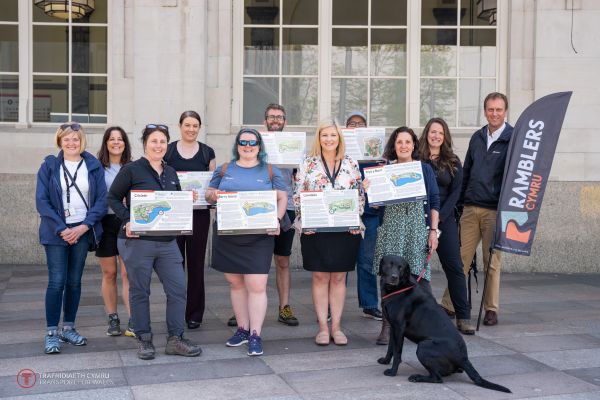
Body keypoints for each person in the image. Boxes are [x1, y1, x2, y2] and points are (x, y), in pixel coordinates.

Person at [108, 124, 202, 360]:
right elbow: (112, 197)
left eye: (162, 141)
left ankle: (175, 339)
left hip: (167, 242)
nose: (158, 146)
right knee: (140, 291)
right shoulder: (132, 170)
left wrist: (184, 200)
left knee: (178, 289)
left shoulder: (170, 173)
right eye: (153, 141)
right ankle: (144, 339)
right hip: (138, 241)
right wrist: (129, 219)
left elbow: (174, 202)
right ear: (145, 144)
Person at [205, 128, 288, 356]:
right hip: (229, 234)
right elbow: (209, 193)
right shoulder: (225, 168)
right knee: (236, 283)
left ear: (259, 146)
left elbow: (282, 197)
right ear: (237, 145)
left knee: (257, 284)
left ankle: (255, 334)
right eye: (243, 142)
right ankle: (242, 329)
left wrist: (277, 220)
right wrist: (214, 195)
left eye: (252, 142)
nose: (247, 146)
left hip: (259, 236)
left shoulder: (270, 170)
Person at [441, 92, 513, 326]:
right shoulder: (477, 137)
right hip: (471, 209)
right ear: (485, 111)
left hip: (495, 211)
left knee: (492, 262)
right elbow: (466, 173)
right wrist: (460, 204)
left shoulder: (514, 139)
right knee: (459, 259)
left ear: (505, 111)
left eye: (499, 110)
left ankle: (491, 308)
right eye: (490, 110)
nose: (494, 114)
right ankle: (450, 305)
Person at [36, 123, 107, 354]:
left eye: (75, 139)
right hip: (56, 232)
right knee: (56, 281)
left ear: (82, 141)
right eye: (66, 139)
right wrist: (62, 228)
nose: (71, 143)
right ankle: (51, 333)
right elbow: (42, 202)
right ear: (60, 142)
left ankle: (68, 328)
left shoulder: (93, 166)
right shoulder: (48, 166)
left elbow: (101, 201)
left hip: (82, 231)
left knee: (74, 282)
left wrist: (84, 227)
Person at [294, 119, 365, 346]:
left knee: (338, 277)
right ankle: (323, 328)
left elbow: (359, 194)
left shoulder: (351, 163)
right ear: (319, 138)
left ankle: (336, 326)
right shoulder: (308, 163)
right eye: (324, 135)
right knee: (320, 276)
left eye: (333, 135)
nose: (329, 139)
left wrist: (356, 217)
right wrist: (307, 217)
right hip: (316, 228)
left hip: (345, 229)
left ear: (339, 138)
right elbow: (298, 195)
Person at [227, 104, 299, 328]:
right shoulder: (253, 144)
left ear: (285, 121)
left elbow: (301, 174)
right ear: (265, 120)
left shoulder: (294, 147)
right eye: (271, 117)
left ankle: (284, 306)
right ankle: (243, 309)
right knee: (248, 261)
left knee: (282, 259)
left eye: (279, 117)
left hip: (283, 207)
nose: (275, 120)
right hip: (254, 208)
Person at [370, 126, 440, 344]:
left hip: (417, 228)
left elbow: (435, 201)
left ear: (413, 145)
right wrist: (369, 190)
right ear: (394, 145)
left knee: (421, 277)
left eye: (407, 142)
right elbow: (374, 206)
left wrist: (433, 231)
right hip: (391, 228)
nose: (403, 146)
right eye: (399, 142)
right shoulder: (384, 170)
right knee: (388, 277)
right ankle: (387, 327)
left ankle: (428, 324)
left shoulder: (424, 169)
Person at [419, 118, 475, 335]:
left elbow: (456, 193)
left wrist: (439, 218)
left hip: (445, 221)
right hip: (419, 219)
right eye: (433, 132)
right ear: (426, 134)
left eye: (440, 133)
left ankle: (463, 316)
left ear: (445, 137)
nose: (436, 136)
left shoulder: (452, 162)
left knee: (455, 267)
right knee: (416, 269)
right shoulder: (416, 159)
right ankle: (418, 315)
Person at [164, 111, 216, 330]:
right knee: (175, 265)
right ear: (179, 126)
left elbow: (212, 186)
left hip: (199, 215)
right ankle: (176, 311)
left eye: (195, 126)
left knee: (196, 265)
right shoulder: (168, 151)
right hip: (174, 214)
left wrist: (211, 196)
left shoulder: (207, 152)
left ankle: (195, 313)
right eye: (187, 125)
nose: (191, 129)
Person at [95, 126, 134, 337]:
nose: (116, 142)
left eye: (120, 139)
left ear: (125, 143)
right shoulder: (97, 167)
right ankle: (113, 317)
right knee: (110, 273)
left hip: (127, 222)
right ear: (106, 143)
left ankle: (133, 319)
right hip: (105, 222)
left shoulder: (134, 167)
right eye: (112, 139)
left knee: (128, 273)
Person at [346, 111, 384, 324]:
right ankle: (334, 305)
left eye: (361, 124)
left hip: (369, 215)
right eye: (352, 124)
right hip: (344, 215)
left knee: (367, 261)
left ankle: (370, 305)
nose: (356, 127)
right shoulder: (340, 154)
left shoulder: (375, 155)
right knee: (340, 263)